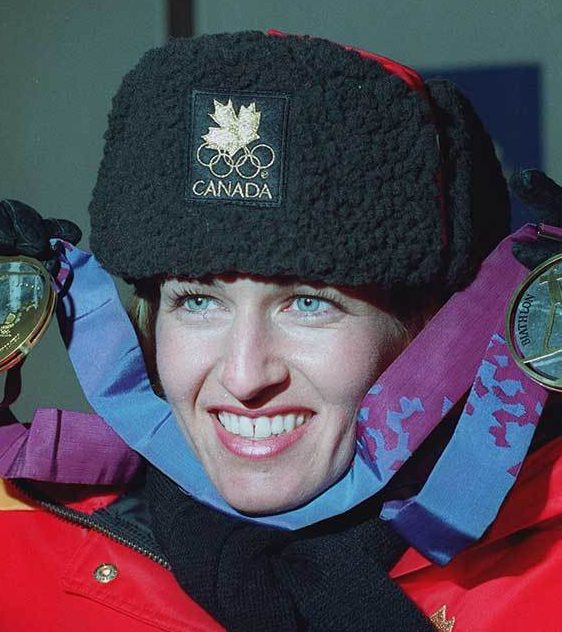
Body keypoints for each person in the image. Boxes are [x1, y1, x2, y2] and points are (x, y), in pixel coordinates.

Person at [0, 31, 560, 631]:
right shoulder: (19, 543)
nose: (244, 376)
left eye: (309, 304)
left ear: (429, 336)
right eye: (196, 300)